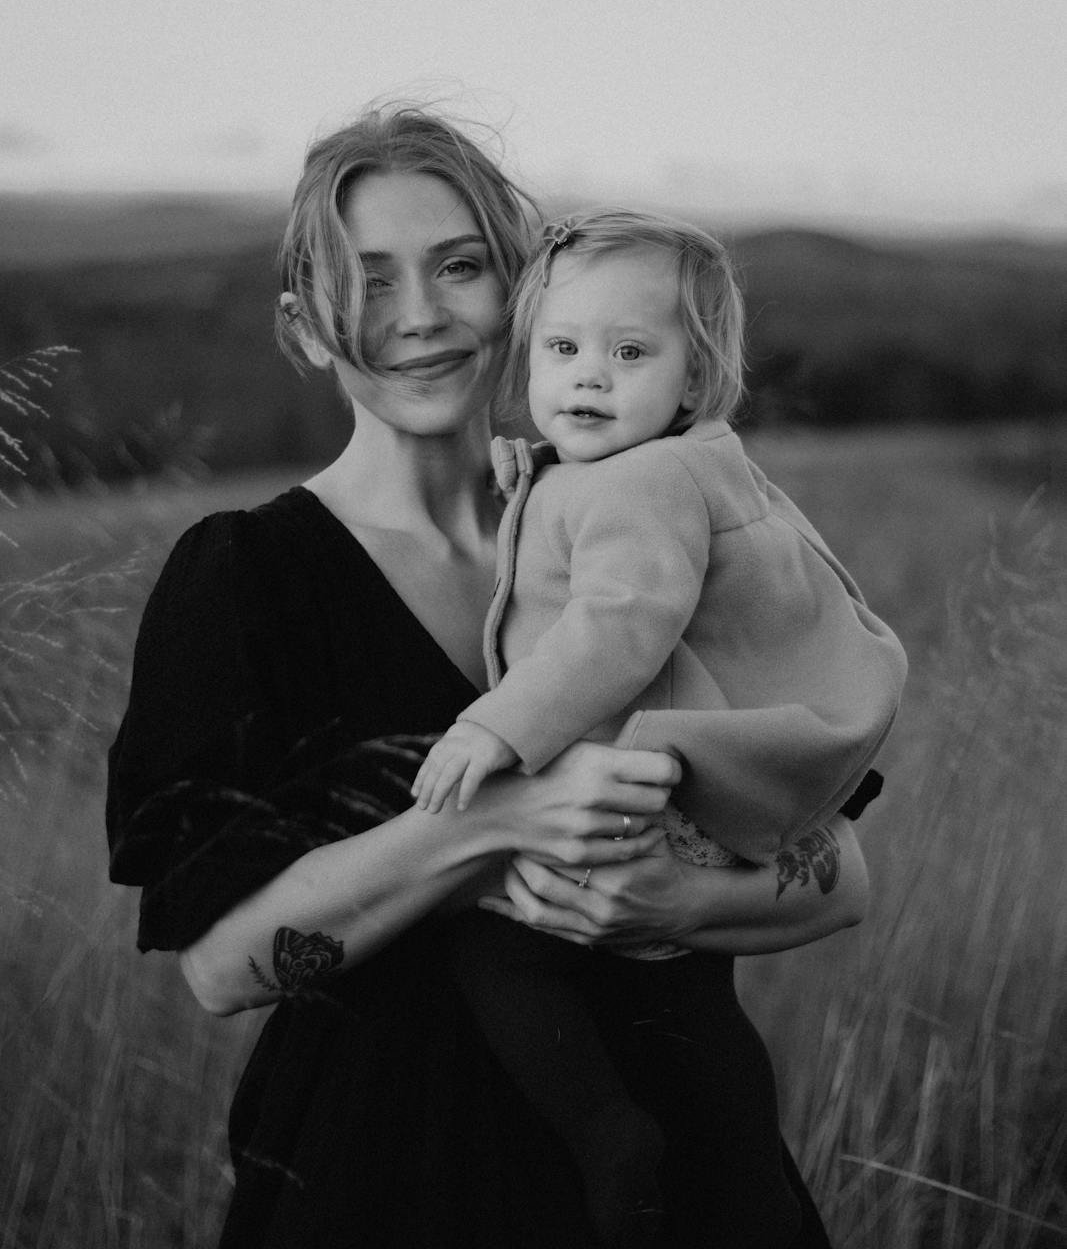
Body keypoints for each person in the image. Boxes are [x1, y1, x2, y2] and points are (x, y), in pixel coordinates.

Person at [107, 102, 879, 1249]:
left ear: (521, 291)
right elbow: (224, 968)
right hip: (388, 1183)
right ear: (303, 326)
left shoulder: (649, 512)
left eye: (459, 267)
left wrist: (679, 900)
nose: (418, 318)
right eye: (367, 280)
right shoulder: (247, 577)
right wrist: (490, 823)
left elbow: (839, 873)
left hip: (689, 1178)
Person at [406, 207, 905, 1237]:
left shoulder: (642, 481)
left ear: (692, 378)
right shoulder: (659, 466)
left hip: (619, 788)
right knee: (688, 1005)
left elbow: (617, 626)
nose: (588, 376)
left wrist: (496, 729)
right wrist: (527, 479)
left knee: (490, 940)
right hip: (677, 805)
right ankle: (746, 1191)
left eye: (628, 352)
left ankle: (602, 1130)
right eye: (562, 348)